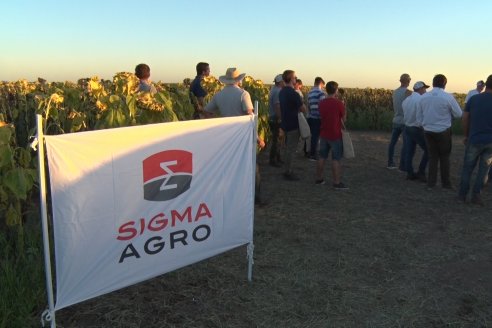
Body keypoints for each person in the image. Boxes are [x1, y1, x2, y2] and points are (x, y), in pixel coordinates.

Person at [203, 67, 266, 206]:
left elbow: (206, 111)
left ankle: (230, 196)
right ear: (239, 80)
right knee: (251, 166)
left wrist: (217, 124)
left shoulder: (219, 95)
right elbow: (250, 118)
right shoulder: (243, 94)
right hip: (242, 136)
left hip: (226, 136)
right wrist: (258, 139)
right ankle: (256, 198)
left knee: (229, 165)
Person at [416, 74, 462, 190]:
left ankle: (431, 183)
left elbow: (419, 117)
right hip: (443, 131)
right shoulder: (448, 97)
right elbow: (459, 114)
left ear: (432, 83)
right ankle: (445, 183)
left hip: (428, 131)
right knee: (445, 157)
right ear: (444, 84)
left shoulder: (423, 98)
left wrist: (425, 125)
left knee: (433, 157)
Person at [458, 75, 492, 206]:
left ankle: (462, 195)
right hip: (490, 142)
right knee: (484, 170)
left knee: (467, 168)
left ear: (486, 84)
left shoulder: (474, 99)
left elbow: (465, 118)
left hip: (474, 138)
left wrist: (466, 135)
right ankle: (476, 195)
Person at [315, 81, 348, 190]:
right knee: (336, 159)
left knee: (322, 157)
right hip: (335, 134)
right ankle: (336, 182)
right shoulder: (339, 103)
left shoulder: (321, 103)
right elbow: (343, 120)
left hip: (324, 133)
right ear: (336, 90)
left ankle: (319, 179)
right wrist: (344, 107)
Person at [279, 70, 307, 181]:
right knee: (291, 148)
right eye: (295, 77)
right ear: (291, 79)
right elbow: (303, 109)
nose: (296, 79)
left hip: (285, 123)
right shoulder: (294, 93)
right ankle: (288, 172)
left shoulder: (282, 92)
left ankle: (287, 169)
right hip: (293, 124)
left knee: (287, 148)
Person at [402, 81, 430, 182]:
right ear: (420, 89)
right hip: (416, 128)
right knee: (429, 150)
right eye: (424, 88)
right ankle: (421, 172)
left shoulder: (406, 100)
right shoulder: (421, 99)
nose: (425, 90)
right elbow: (421, 116)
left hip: (407, 127)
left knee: (409, 151)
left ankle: (410, 173)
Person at [388, 73, 412, 170]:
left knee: (392, 143)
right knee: (406, 144)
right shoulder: (408, 93)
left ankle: (390, 162)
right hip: (404, 121)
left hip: (396, 120)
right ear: (408, 81)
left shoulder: (395, 92)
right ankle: (403, 165)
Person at [306, 77, 326, 161]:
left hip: (311, 116)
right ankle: (313, 155)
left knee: (313, 136)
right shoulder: (321, 93)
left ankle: (311, 153)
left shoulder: (310, 92)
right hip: (318, 118)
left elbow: (308, 105)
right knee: (316, 137)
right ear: (321, 83)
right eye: (323, 86)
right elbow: (323, 107)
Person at [268, 74, 284, 167]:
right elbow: (277, 106)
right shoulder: (278, 91)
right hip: (276, 118)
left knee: (276, 139)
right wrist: (280, 118)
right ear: (281, 82)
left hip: (272, 117)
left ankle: (277, 158)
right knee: (276, 140)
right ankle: (273, 160)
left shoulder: (273, 90)